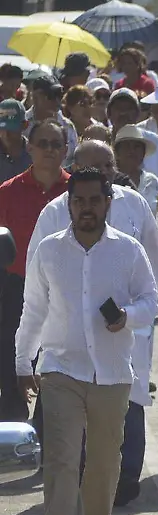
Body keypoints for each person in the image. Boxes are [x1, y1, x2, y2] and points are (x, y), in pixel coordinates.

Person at [16, 168, 158, 515]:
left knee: (103, 457)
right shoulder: (48, 250)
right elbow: (34, 309)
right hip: (61, 368)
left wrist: (127, 317)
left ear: (108, 202)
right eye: (79, 201)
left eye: (95, 201)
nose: (86, 209)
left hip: (112, 372)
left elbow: (152, 300)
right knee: (61, 457)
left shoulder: (128, 250)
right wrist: (22, 361)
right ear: (68, 204)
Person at [27, 139, 158, 506]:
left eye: (107, 167)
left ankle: (125, 477)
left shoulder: (135, 205)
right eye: (91, 167)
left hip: (128, 324)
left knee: (131, 395)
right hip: (71, 331)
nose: (101, 174)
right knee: (77, 406)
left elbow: (156, 258)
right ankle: (85, 479)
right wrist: (33, 341)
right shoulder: (55, 211)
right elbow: (38, 272)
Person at [0, 120, 70, 422]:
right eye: (43, 143)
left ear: (66, 150)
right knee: (10, 353)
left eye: (56, 144)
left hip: (63, 289)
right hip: (16, 287)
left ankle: (46, 426)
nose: (49, 150)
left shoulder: (79, 191)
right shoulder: (7, 192)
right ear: (30, 148)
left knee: (55, 359)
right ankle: (13, 423)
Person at [107, 88, 158, 184]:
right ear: (109, 114)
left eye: (129, 109)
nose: (123, 113)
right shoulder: (101, 140)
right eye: (118, 108)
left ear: (137, 114)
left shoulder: (152, 139)